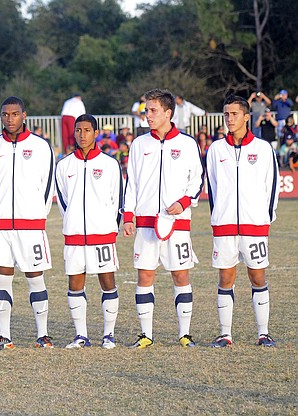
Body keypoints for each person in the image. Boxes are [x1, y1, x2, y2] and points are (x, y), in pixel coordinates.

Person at [123, 89, 204, 348]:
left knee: (180, 276)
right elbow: (132, 184)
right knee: (145, 277)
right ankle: (146, 335)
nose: (148, 115)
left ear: (168, 113)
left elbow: (197, 180)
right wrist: (128, 215)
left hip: (176, 223)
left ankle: (185, 334)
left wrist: (183, 202)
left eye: (153, 110)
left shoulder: (187, 144)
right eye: (146, 110)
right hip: (145, 224)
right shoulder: (138, 144)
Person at [0, 96, 55, 350]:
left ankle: (43, 335)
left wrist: (37, 214)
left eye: (14, 114)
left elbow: (48, 184)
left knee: (36, 278)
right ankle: (4, 336)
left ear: (25, 115)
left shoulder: (41, 146)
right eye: (5, 114)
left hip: (31, 224)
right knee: (2, 279)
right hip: (1, 226)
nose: (9, 119)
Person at [207, 95, 279, 348]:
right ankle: (225, 334)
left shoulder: (262, 148)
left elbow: (272, 185)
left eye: (234, 114)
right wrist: (218, 217)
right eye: (226, 114)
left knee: (257, 277)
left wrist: (264, 218)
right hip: (224, 226)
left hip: (254, 225)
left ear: (247, 117)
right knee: (226, 278)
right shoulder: (216, 149)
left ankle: (263, 333)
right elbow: (213, 188)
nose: (229, 119)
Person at [54, 114, 122, 349]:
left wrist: (109, 228)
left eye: (87, 130)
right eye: (78, 130)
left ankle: (108, 335)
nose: (82, 135)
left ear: (96, 133)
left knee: (107, 281)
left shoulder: (109, 164)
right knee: (75, 283)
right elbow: (63, 201)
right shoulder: (64, 165)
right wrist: (72, 222)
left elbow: (117, 199)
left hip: (102, 235)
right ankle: (81, 335)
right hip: (74, 236)